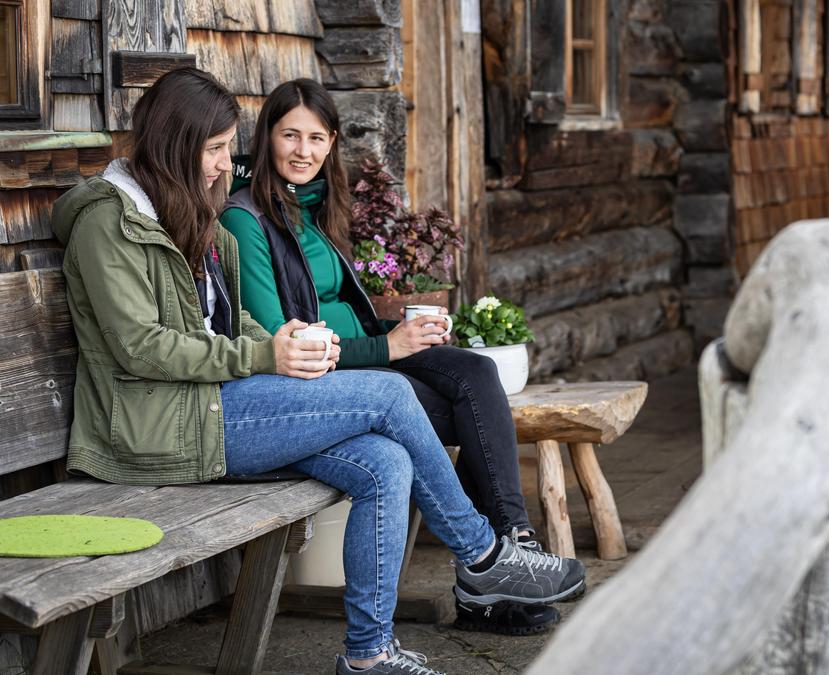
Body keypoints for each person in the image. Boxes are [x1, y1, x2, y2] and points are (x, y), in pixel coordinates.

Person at [50, 67, 582, 675]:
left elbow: (231, 320)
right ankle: (484, 556)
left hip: (219, 404)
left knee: (388, 461)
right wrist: (262, 355)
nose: (228, 165)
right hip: (157, 429)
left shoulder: (186, 211)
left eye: (229, 148)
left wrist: (277, 339)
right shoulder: (108, 223)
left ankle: (369, 655)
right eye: (217, 150)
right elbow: (140, 348)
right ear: (175, 145)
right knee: (388, 396)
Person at [217, 80, 577, 623]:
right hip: (313, 382)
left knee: (475, 373)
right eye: (289, 135)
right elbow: (278, 338)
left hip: (363, 353)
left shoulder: (314, 208)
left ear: (333, 141)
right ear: (266, 138)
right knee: (461, 410)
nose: (303, 151)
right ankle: (494, 585)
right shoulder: (246, 220)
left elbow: (337, 305)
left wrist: (405, 331)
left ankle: (512, 545)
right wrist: (387, 345)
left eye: (316, 138)